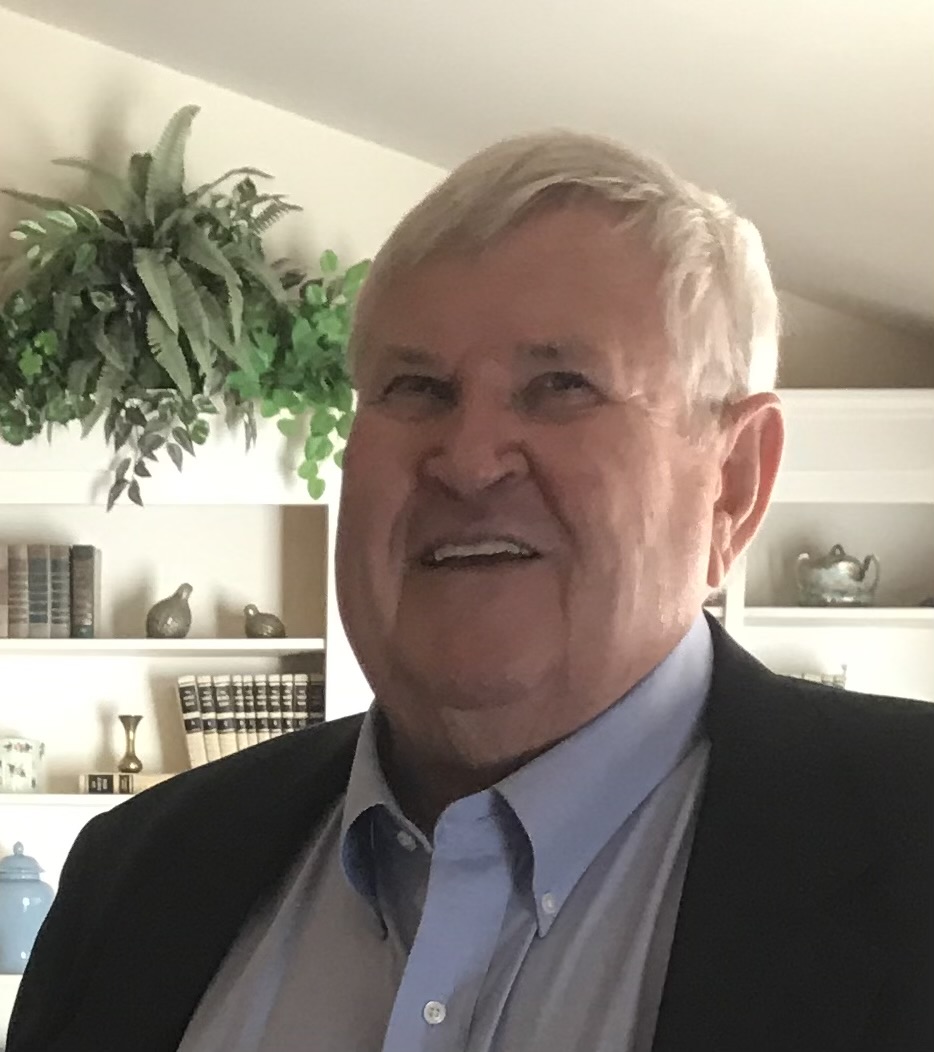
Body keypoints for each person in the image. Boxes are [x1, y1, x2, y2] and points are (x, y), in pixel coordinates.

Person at [7, 131, 934, 1052]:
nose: (468, 459)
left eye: (561, 385)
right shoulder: (138, 874)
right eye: (417, 388)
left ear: (733, 482)